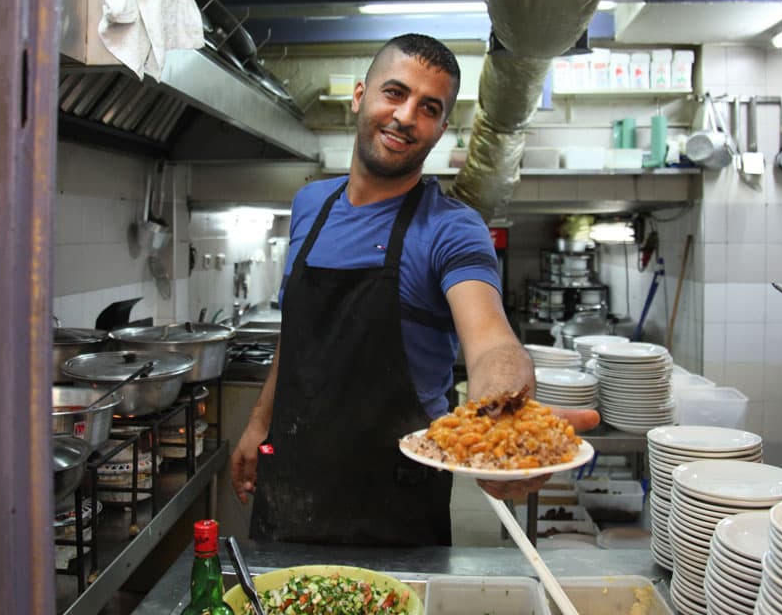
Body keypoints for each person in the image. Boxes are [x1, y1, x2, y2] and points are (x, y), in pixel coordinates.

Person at [229, 33, 598, 546]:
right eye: (394, 93)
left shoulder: (452, 227)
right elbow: (298, 332)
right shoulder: (310, 205)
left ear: (442, 128)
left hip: (397, 504)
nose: (405, 116)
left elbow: (491, 340)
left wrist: (505, 418)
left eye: (429, 107)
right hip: (292, 483)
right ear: (361, 96)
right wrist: (257, 421)